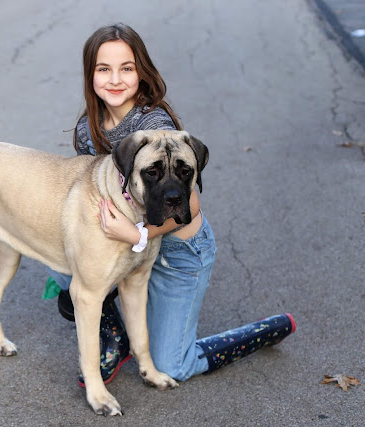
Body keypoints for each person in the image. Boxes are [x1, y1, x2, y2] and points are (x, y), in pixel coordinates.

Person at [44, 23, 296, 386]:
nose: (115, 79)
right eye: (104, 69)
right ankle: (113, 333)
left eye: (127, 68)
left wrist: (136, 233)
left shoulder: (157, 127)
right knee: (57, 250)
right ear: (90, 74)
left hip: (177, 252)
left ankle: (262, 331)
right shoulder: (89, 129)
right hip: (126, 243)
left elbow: (186, 205)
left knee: (173, 365)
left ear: (141, 72)